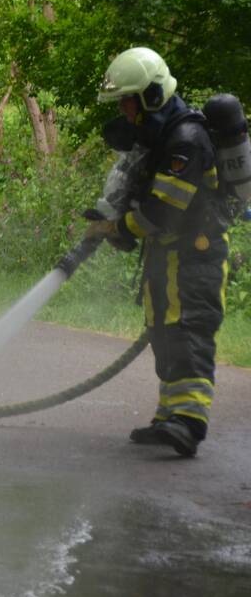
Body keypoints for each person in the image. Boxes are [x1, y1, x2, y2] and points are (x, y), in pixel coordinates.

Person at [87, 46, 229, 457]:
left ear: (150, 96)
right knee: (165, 333)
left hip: (194, 258)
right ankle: (170, 416)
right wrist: (114, 216)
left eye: (127, 101)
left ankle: (190, 420)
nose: (124, 110)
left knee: (188, 332)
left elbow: (164, 210)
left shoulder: (186, 140)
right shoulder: (159, 136)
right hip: (168, 256)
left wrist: (119, 228)